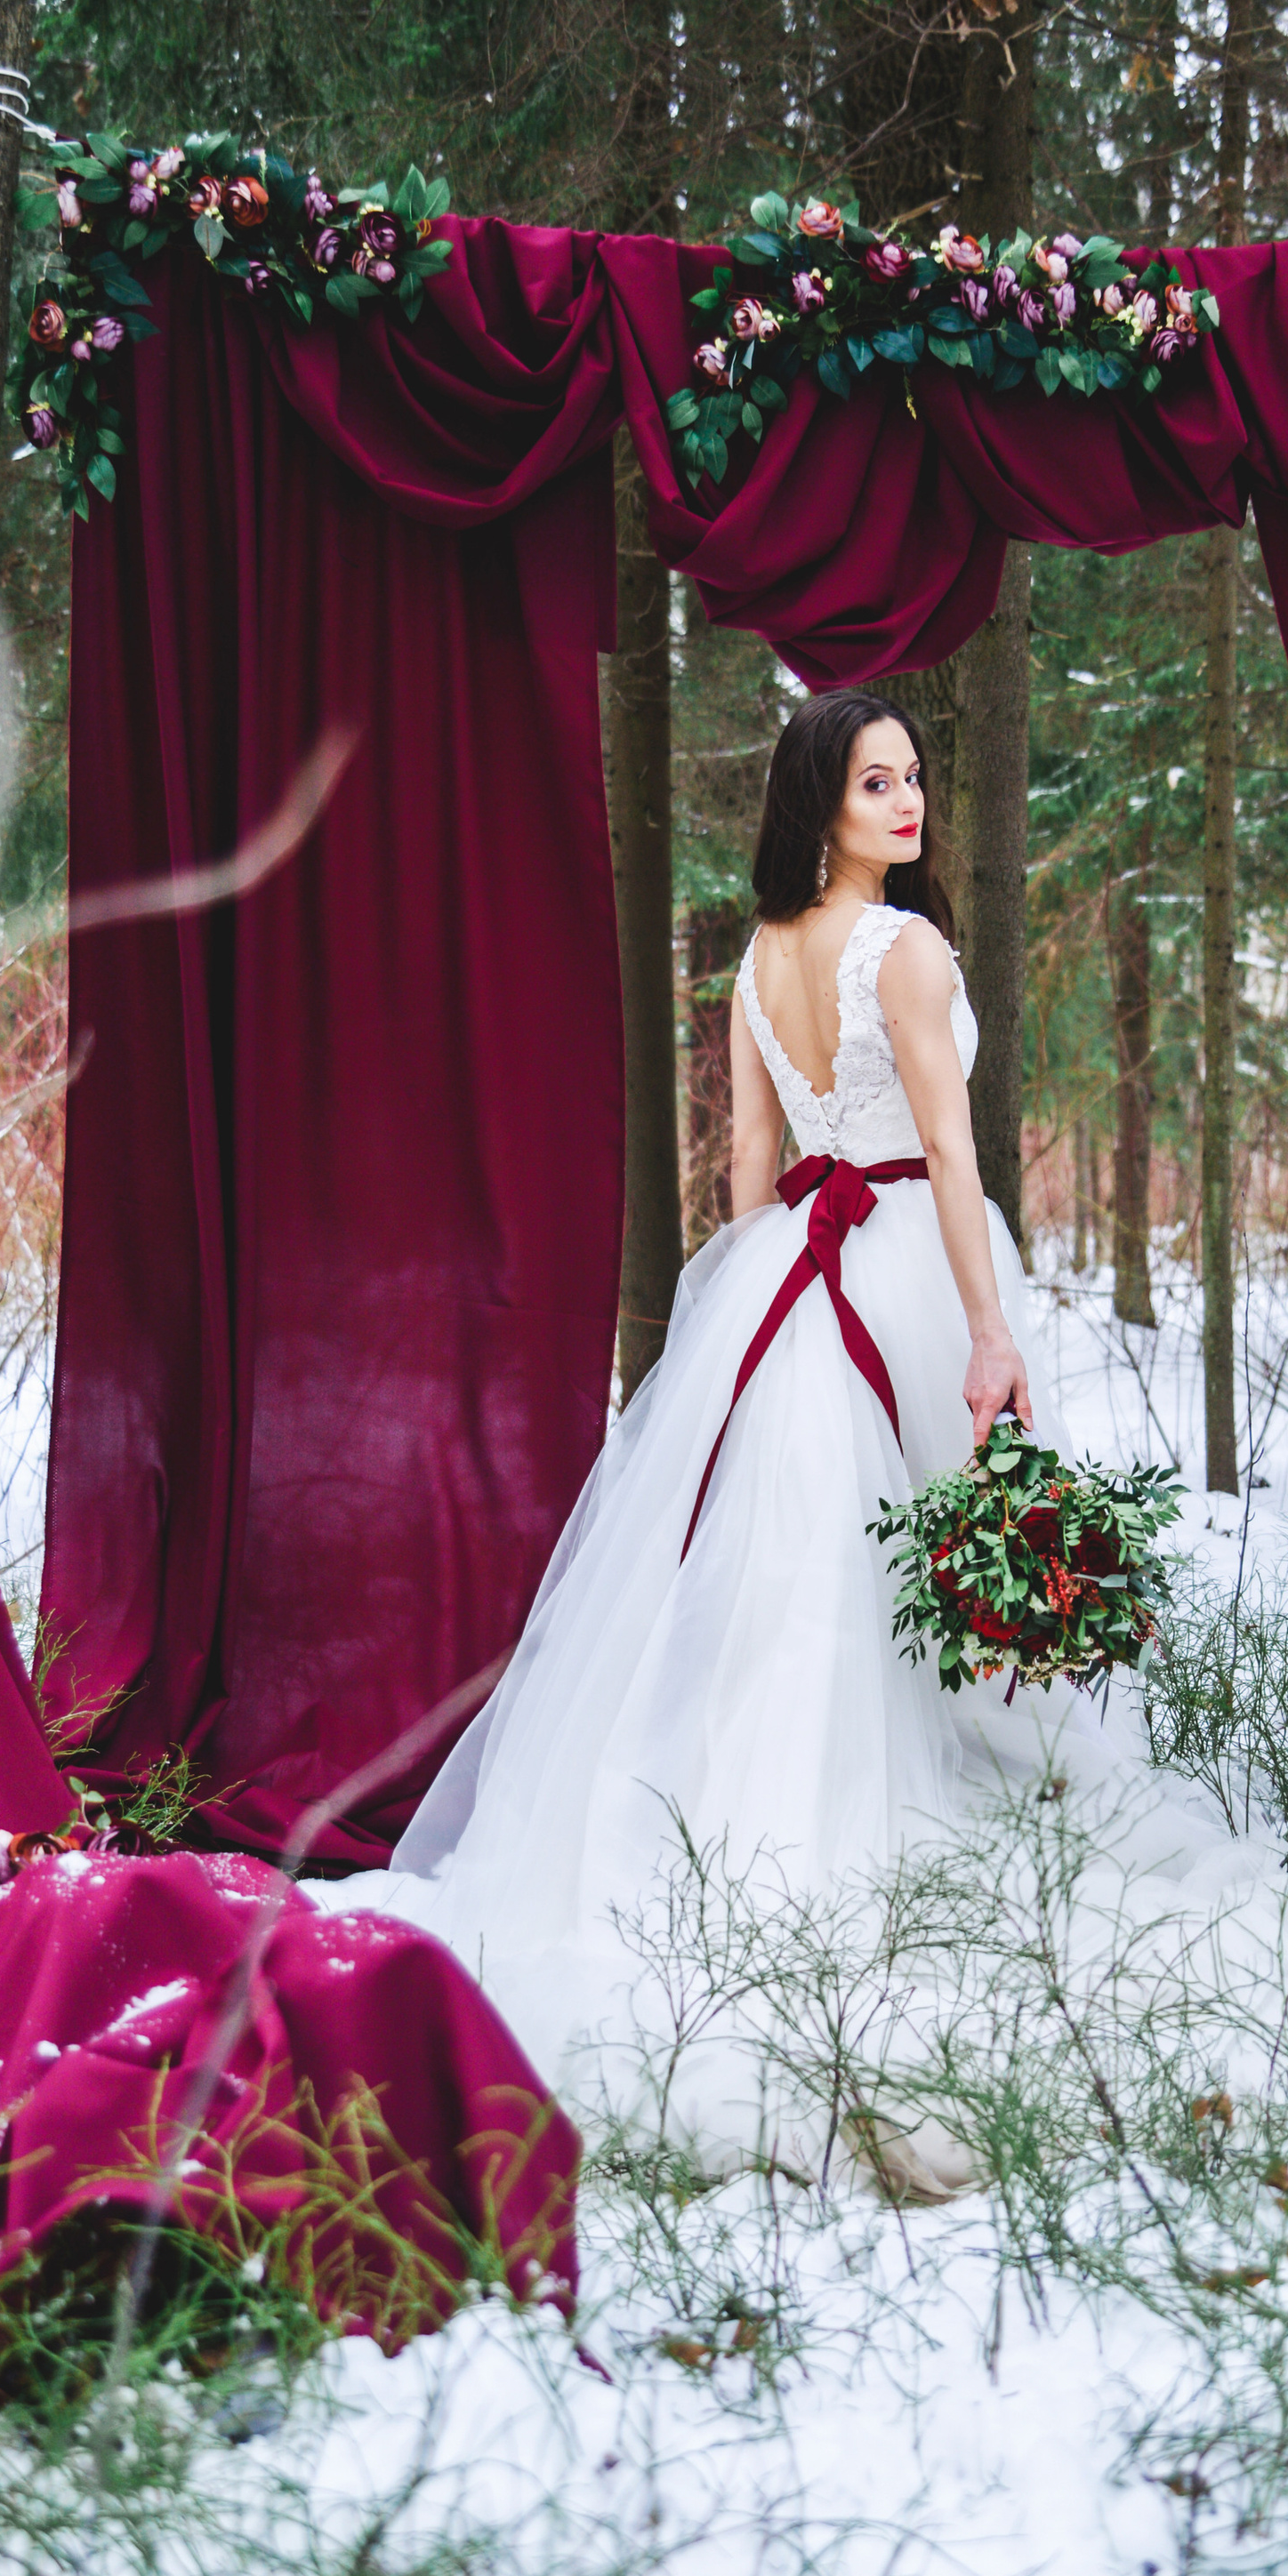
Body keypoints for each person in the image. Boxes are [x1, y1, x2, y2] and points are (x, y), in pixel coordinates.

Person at [344, 688, 1101, 2080]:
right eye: (876, 782)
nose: (908, 799)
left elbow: (751, 1174)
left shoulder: (761, 959)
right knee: (909, 1554)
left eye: (914, 776)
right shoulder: (909, 948)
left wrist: (750, 1315)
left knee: (780, 1570)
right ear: (819, 800)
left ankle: (721, 1826)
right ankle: (867, 1841)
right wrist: (988, 1331)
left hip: (786, 1279)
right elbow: (948, 1150)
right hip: (904, 1266)